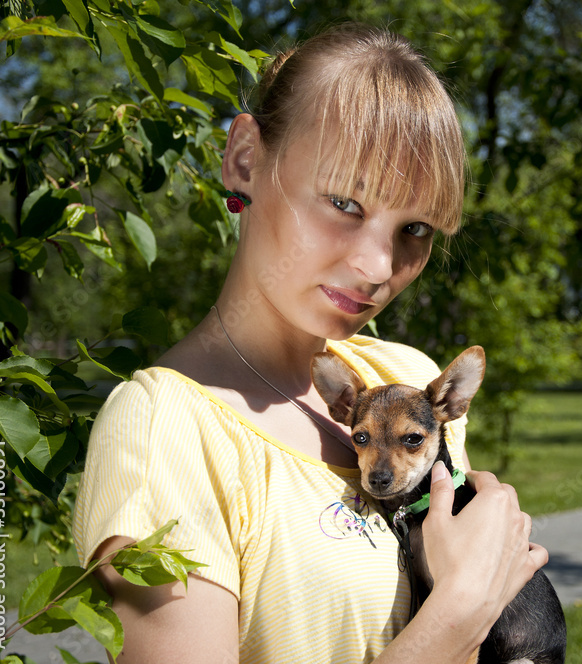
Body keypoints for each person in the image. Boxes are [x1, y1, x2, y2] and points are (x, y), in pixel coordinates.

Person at [71, 24, 548, 664]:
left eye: (415, 227)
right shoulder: (165, 432)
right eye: (344, 202)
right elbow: (462, 613)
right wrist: (461, 611)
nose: (379, 267)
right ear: (245, 159)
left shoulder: (399, 372)